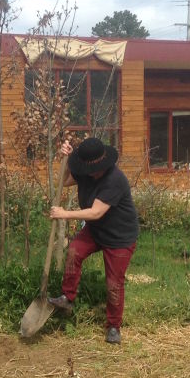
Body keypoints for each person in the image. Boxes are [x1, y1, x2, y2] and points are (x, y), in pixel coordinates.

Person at [48, 137, 139, 344]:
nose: (92, 173)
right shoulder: (86, 171)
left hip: (119, 237)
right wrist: (66, 159)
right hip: (96, 231)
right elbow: (64, 180)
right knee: (74, 251)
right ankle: (67, 298)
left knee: (114, 283)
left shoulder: (115, 179)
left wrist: (64, 213)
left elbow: (97, 212)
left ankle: (114, 326)